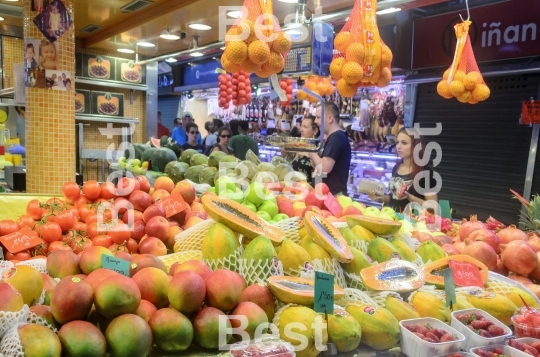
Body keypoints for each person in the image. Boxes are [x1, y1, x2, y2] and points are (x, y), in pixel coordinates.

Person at [369, 127, 438, 213]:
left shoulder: (425, 172)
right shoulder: (396, 167)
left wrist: (410, 197)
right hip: (392, 219)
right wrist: (379, 198)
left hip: (412, 223)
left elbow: (433, 207)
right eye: (398, 142)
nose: (398, 146)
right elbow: (392, 197)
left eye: (404, 143)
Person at [309, 102, 351, 196]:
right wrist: (316, 162)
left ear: (330, 118)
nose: (315, 121)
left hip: (333, 197)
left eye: (318, 117)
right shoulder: (335, 137)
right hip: (329, 196)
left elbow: (325, 168)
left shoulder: (336, 137)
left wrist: (311, 151)